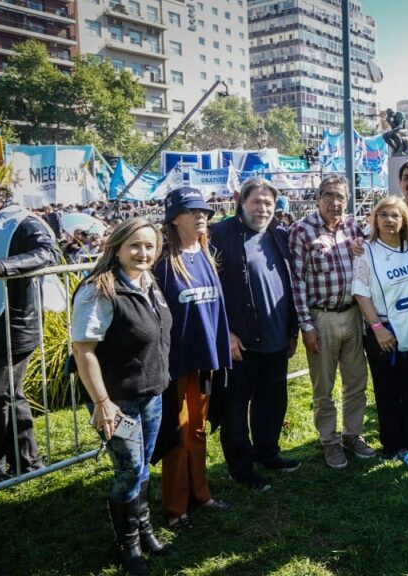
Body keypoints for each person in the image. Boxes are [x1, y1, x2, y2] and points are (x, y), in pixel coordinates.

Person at [71, 218, 172, 576]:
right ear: (116, 247)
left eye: (149, 246)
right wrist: (102, 402)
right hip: (118, 401)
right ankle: (127, 544)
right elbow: (84, 351)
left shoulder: (149, 283)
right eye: (134, 245)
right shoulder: (99, 291)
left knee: (143, 464)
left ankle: (144, 529)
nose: (142, 253)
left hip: (151, 394)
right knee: (129, 470)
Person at [209, 178, 300, 492]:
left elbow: (290, 284)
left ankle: (268, 453)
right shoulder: (218, 235)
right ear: (240, 201)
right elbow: (209, 291)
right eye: (256, 202)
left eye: (268, 204)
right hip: (239, 343)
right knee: (235, 409)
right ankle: (242, 469)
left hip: (276, 339)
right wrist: (226, 333)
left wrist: (292, 331)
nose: (262, 209)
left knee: (272, 403)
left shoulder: (280, 234)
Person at [0, 171, 60, 484]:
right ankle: (25, 462)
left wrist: (0, 267)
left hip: (13, 321)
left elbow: (49, 253)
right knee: (6, 393)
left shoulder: (21, 221)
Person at [152, 187, 232, 530]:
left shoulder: (204, 253)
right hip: (174, 365)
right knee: (177, 434)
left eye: (205, 211)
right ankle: (175, 509)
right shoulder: (160, 261)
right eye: (193, 211)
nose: (202, 216)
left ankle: (202, 494)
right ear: (174, 218)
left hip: (204, 361)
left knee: (198, 430)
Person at [289, 174, 375, 469]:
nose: (335, 202)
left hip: (352, 313)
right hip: (321, 317)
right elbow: (297, 281)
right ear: (318, 198)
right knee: (323, 386)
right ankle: (329, 441)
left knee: (356, 381)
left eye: (340, 197)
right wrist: (306, 325)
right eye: (329, 196)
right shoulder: (302, 230)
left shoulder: (353, 226)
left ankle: (353, 434)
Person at [353, 197, 408, 464]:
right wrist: (377, 328)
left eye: (395, 215)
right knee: (387, 392)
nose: (389, 220)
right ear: (374, 219)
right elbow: (361, 294)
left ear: (404, 220)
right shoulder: (366, 251)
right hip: (384, 332)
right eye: (383, 215)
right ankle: (392, 445)